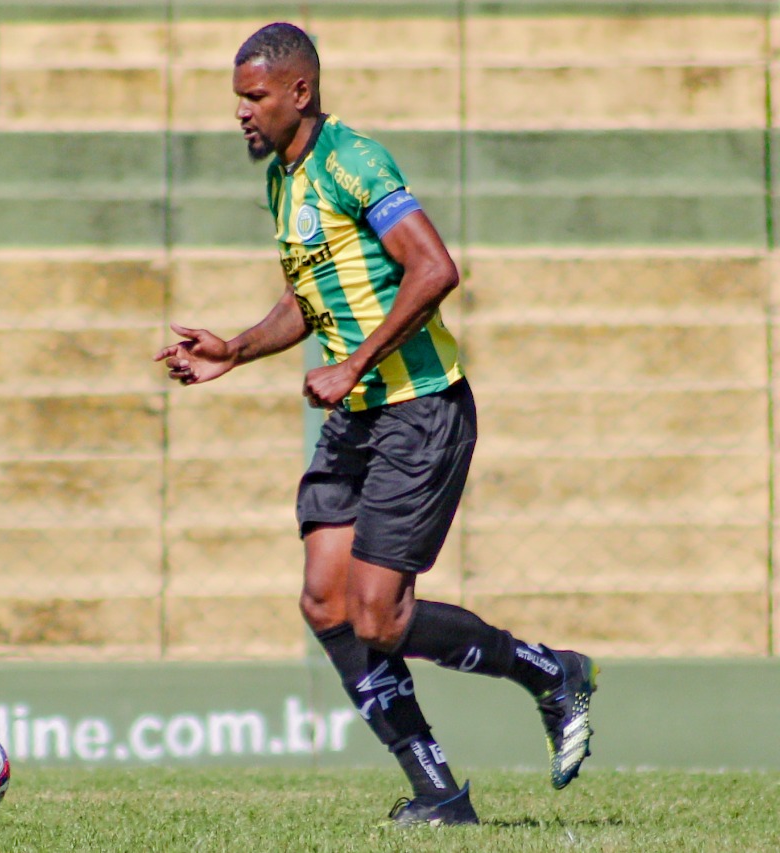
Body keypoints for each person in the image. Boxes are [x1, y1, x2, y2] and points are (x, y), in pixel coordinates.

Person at [154, 22, 598, 827]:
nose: (243, 114)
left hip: (420, 406)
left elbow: (435, 268)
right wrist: (235, 348)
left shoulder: (353, 160)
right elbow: (307, 298)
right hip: (360, 417)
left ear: (301, 91)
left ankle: (552, 672)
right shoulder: (283, 182)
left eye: (255, 98)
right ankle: (438, 794)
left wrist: (352, 363)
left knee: (379, 616)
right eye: (237, 101)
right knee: (326, 602)